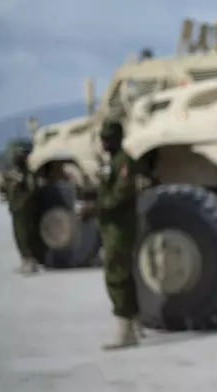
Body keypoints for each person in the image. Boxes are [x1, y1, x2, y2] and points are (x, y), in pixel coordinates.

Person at [79, 119, 143, 350]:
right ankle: (135, 324)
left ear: (118, 138)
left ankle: (125, 331)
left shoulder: (123, 163)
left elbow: (120, 196)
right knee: (123, 275)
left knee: (115, 276)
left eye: (108, 138)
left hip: (120, 228)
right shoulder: (112, 162)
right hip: (112, 227)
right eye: (102, 138)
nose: (104, 142)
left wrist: (94, 208)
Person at [2, 140, 40, 275]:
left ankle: (29, 261)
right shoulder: (13, 174)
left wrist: (23, 203)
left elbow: (31, 191)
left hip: (24, 210)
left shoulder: (27, 174)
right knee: (18, 235)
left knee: (25, 235)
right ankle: (25, 260)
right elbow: (5, 189)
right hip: (16, 209)